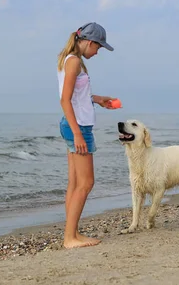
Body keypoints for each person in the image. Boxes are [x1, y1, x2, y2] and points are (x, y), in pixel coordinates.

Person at [57, 22, 118, 249]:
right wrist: (77, 134)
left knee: (74, 183)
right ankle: (69, 238)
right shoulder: (73, 62)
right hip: (78, 127)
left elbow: (76, 96)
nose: (98, 52)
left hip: (75, 125)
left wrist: (98, 99)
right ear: (89, 42)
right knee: (86, 183)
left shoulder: (71, 60)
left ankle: (72, 232)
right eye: (98, 47)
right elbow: (64, 100)